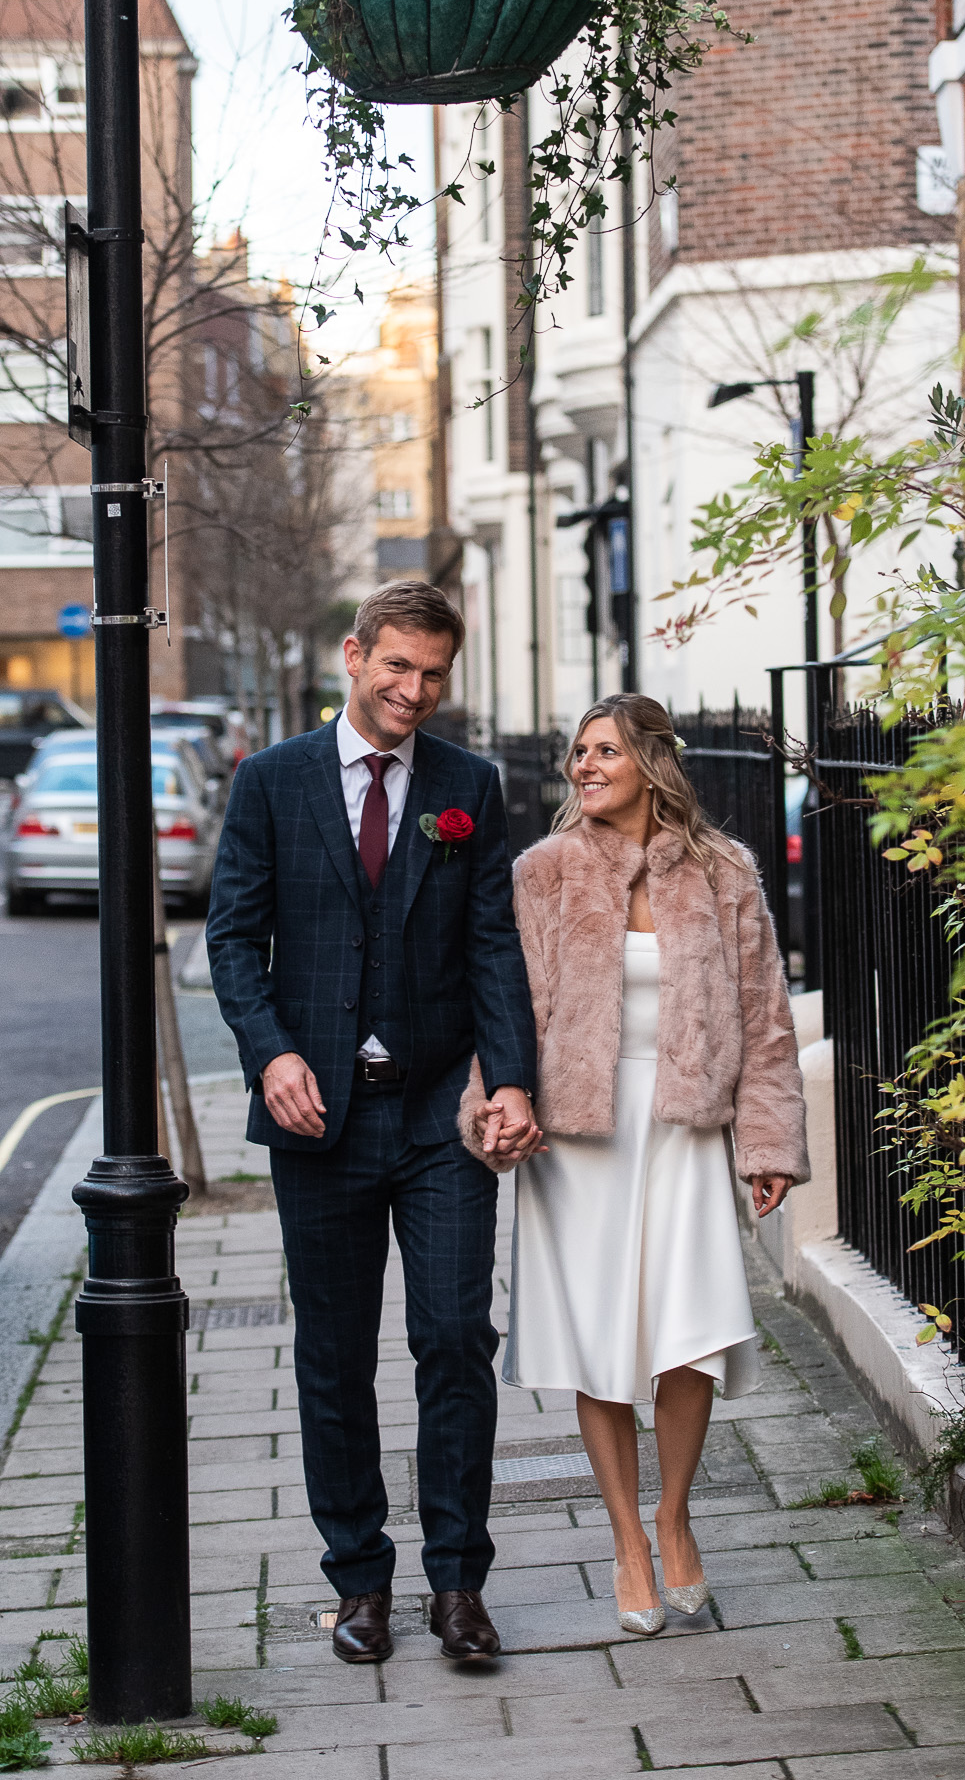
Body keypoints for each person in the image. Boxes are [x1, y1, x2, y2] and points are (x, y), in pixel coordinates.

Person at [207, 581, 541, 1670]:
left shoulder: (469, 787)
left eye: (434, 672)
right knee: (334, 1356)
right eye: (397, 666)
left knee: (454, 1338)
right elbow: (230, 940)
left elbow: (495, 944)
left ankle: (459, 1584)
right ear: (354, 654)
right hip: (321, 1120)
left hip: (443, 1112)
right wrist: (273, 1052)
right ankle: (359, 1576)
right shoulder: (270, 781)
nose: (415, 690)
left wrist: (513, 1080)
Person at [460, 694, 808, 1633]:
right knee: (600, 1341)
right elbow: (502, 1008)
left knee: (691, 1330)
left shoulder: (725, 871)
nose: (582, 766)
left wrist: (767, 1141)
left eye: (602, 750)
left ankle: (674, 1515)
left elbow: (766, 1018)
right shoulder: (544, 872)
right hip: (577, 1139)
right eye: (576, 751)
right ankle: (625, 1543)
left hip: (686, 1124)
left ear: (651, 762)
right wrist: (494, 1106)